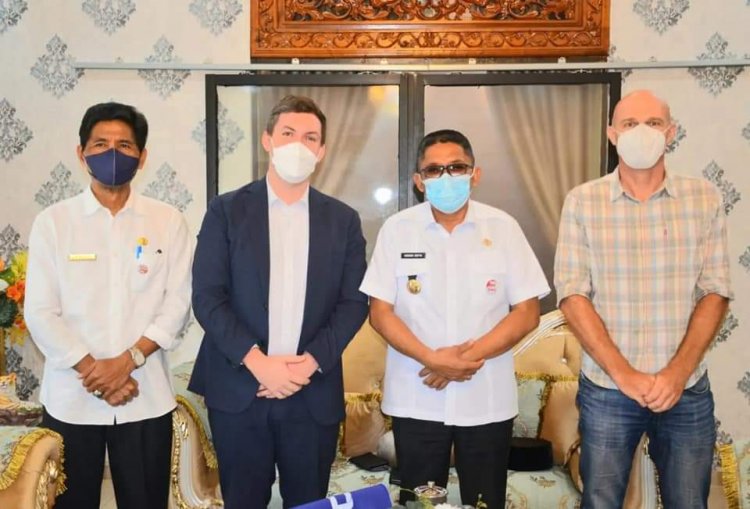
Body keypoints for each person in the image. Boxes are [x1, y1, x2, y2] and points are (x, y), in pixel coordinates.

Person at [554, 90, 732, 509]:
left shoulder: (703, 198)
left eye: (653, 123)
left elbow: (715, 291)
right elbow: (573, 295)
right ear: (612, 134)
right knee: (600, 501)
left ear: (670, 133)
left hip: (685, 388)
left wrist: (676, 374)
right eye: (630, 124)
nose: (641, 132)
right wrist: (625, 375)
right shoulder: (583, 201)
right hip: (607, 388)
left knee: (689, 501)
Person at [189, 95, 369, 509]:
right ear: (267, 140)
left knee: (308, 503)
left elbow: (353, 302)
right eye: (288, 133)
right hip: (240, 389)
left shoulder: (343, 220)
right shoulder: (225, 210)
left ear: (322, 151)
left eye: (310, 138)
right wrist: (258, 363)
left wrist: (306, 365)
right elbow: (207, 296)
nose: (298, 145)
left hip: (311, 392)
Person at [360, 129, 550, 508]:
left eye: (456, 167)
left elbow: (527, 312)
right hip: (417, 397)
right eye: (434, 170)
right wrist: (433, 359)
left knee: (484, 502)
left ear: (474, 174)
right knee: (420, 503)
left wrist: (461, 360)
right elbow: (379, 313)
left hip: (486, 398)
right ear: (419, 181)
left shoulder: (503, 228)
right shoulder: (397, 230)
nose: (445, 177)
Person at [25, 102, 193, 509]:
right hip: (71, 399)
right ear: (81, 153)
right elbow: (40, 312)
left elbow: (178, 302)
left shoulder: (168, 221)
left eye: (125, 145)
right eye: (100, 144)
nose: (113, 153)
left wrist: (128, 361)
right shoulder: (53, 223)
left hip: (145, 397)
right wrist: (97, 371)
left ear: (142, 156)